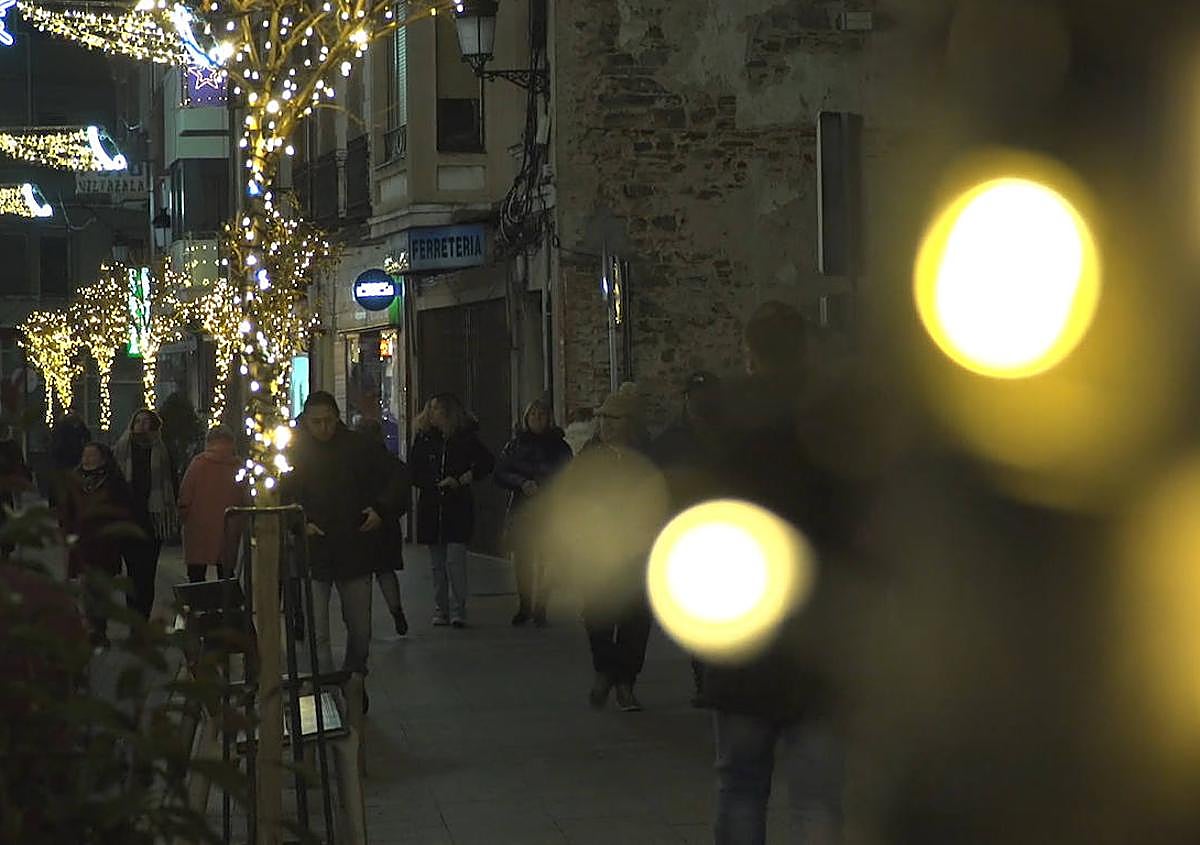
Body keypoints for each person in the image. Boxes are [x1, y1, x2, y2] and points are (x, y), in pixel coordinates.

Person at [704, 301, 857, 845]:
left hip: (743, 630)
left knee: (741, 785)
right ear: (805, 347)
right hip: (819, 634)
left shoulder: (723, 419)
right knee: (817, 796)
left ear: (751, 351)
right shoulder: (834, 417)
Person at [283, 392, 391, 710]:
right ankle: (325, 689)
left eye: (329, 420)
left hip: (353, 546)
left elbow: (393, 476)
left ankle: (352, 677)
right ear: (306, 422)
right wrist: (298, 522)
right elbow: (282, 493)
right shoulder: (294, 453)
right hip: (315, 549)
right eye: (316, 422)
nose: (324, 428)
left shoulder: (358, 448)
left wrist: (380, 510)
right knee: (317, 631)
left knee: (360, 627)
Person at [649, 370, 724, 708]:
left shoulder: (730, 435)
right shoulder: (671, 439)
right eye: (695, 397)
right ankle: (704, 674)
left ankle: (717, 674)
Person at [579, 382, 655, 713]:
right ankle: (606, 670)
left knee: (635, 621)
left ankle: (626, 683)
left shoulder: (649, 458)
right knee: (596, 615)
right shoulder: (591, 457)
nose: (607, 425)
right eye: (603, 418)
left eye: (615, 419)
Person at [410, 394, 495, 628]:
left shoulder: (464, 438)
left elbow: (487, 462)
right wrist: (432, 483)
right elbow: (413, 470)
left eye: (438, 410)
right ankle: (441, 608)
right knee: (437, 565)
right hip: (431, 505)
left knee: (455, 561)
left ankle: (458, 608)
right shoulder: (424, 439)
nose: (433, 414)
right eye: (431, 409)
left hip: (457, 506)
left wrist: (463, 478)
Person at [495, 398, 573, 627]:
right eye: (533, 415)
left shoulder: (560, 447)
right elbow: (501, 472)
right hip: (523, 507)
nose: (537, 420)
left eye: (542, 415)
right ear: (526, 419)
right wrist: (521, 483)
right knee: (523, 560)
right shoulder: (516, 445)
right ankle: (525, 604)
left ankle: (541, 606)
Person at [58, 442, 137, 645]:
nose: (88, 459)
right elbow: (66, 509)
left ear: (102, 458)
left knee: (102, 588)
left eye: (92, 455)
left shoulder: (113, 481)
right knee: (87, 587)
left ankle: (99, 628)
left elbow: (124, 508)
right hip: (82, 542)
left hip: (106, 543)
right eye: (85, 455)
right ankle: (92, 628)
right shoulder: (75, 480)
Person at [113, 409, 178, 620]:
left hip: (152, 519)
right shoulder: (122, 449)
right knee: (132, 572)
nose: (142, 425)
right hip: (128, 518)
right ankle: (133, 617)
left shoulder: (162, 451)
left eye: (146, 421)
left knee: (147, 573)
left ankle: (143, 617)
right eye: (138, 421)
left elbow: (172, 482)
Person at [355, 417, 412, 637]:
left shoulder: (353, 462)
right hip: (385, 525)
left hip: (360, 522)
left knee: (360, 577)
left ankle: (363, 620)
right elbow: (401, 491)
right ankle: (396, 610)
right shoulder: (390, 462)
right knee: (385, 572)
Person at [178, 426, 248, 583]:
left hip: (199, 524)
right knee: (225, 572)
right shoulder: (238, 466)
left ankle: (199, 603)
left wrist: (183, 515)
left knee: (196, 571)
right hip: (229, 524)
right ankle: (226, 603)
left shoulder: (199, 463)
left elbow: (186, 493)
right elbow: (246, 496)